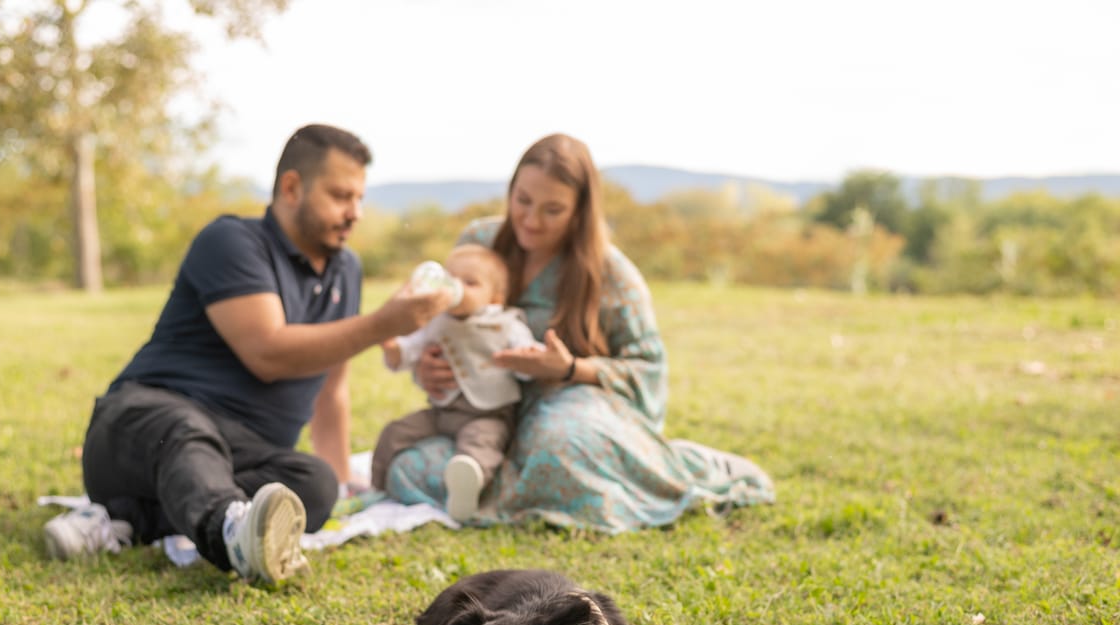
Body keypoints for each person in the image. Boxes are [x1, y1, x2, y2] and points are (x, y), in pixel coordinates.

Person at [44, 124, 454, 584]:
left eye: (359, 198)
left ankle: (123, 520)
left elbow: (331, 387)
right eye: (341, 196)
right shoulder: (232, 242)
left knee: (315, 485)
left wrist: (341, 477)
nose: (354, 212)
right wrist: (387, 322)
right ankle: (230, 532)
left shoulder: (347, 270)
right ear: (292, 187)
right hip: (141, 424)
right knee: (187, 433)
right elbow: (268, 352)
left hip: (239, 454)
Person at [379, 133, 775, 532]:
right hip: (484, 412)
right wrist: (428, 370)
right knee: (407, 467)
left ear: (579, 211)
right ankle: (508, 487)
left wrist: (568, 369)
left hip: (567, 404)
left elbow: (648, 370)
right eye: (523, 201)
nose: (532, 221)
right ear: (510, 190)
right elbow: (441, 322)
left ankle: (681, 467)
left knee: (560, 447)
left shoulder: (611, 273)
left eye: (553, 210)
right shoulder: (479, 244)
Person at [370, 244, 538, 521]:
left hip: (487, 414)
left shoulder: (505, 324)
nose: (455, 287)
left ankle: (466, 488)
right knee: (395, 432)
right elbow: (409, 350)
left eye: (470, 283)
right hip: (443, 411)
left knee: (480, 445)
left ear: (494, 299)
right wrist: (391, 347)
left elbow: (527, 357)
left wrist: (529, 357)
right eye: (451, 279)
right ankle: (375, 487)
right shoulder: (437, 321)